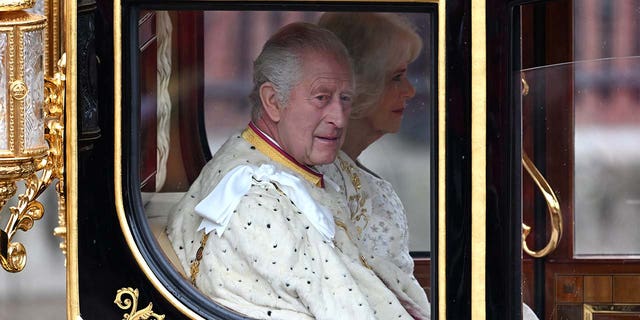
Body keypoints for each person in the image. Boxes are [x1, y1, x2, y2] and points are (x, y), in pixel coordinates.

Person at [167, 22, 429, 319]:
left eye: (345, 99)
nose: (340, 119)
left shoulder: (291, 166)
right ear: (273, 101)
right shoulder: (255, 203)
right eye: (321, 98)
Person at [318, 12, 538, 320]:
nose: (409, 90)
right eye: (396, 77)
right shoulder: (318, 185)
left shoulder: (356, 177)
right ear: (358, 83)